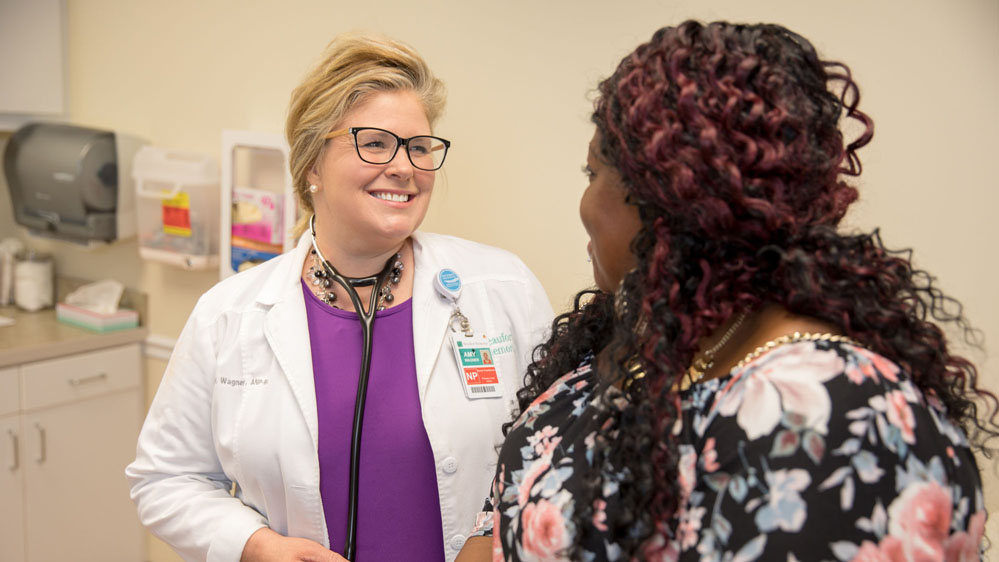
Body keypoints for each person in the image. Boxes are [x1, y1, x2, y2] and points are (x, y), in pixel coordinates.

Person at [457, 21, 994, 561]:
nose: (584, 203)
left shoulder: (835, 417)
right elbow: (497, 527)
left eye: (592, 171)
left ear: (665, 195)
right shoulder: (629, 353)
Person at [127, 33, 552, 562]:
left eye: (420, 147)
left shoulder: (504, 288)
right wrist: (256, 546)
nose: (404, 167)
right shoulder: (227, 315)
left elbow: (557, 454)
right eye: (374, 143)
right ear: (312, 165)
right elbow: (165, 479)